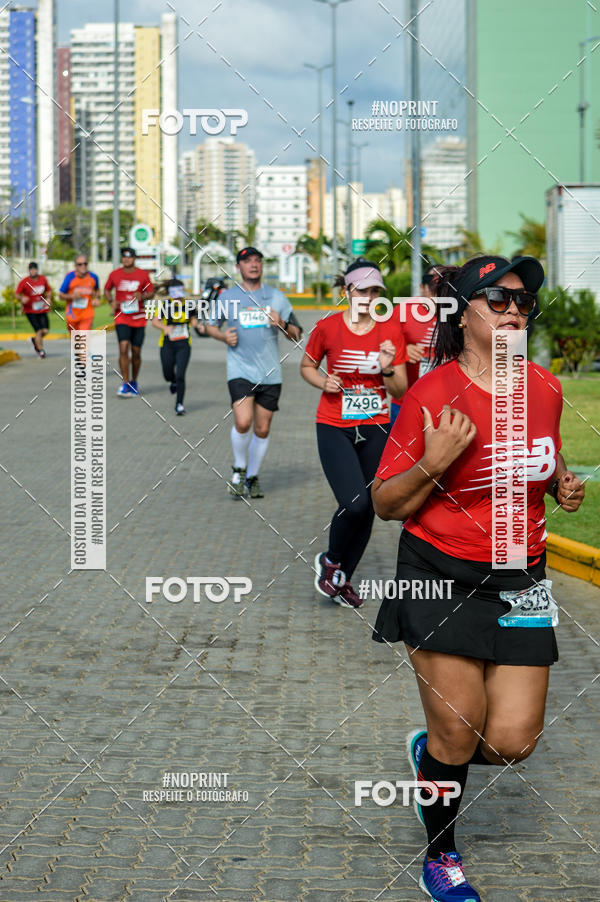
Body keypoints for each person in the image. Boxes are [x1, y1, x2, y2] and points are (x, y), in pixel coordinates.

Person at [371, 255, 585, 901]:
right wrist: (433, 463)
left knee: (514, 742)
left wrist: (561, 482)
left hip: (522, 578)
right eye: (497, 298)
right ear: (462, 311)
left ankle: (432, 758)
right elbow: (384, 502)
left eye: (524, 302)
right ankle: (442, 857)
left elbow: (539, 460)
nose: (515, 309)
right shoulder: (431, 394)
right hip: (437, 573)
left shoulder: (544, 387)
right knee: (459, 734)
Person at [301, 259, 408, 608]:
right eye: (363, 290)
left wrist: (389, 365)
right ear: (347, 291)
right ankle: (331, 560)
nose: (369, 297)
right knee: (355, 502)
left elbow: (401, 391)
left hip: (375, 425)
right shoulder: (328, 328)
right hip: (334, 425)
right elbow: (307, 366)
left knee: (371, 507)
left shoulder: (389, 331)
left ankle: (340, 577)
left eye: (375, 291)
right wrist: (323, 380)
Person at [205, 246, 301, 499]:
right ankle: (238, 468)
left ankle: (252, 477)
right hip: (240, 370)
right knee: (243, 421)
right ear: (238, 267)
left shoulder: (276, 297)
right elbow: (210, 327)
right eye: (247, 261)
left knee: (262, 428)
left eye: (257, 260)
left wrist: (281, 323)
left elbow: (297, 335)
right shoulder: (227, 298)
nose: (254, 264)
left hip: (270, 374)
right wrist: (223, 336)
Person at [390, 263, 441, 426]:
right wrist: (402, 350)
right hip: (406, 402)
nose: (438, 292)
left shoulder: (460, 315)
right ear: (422, 287)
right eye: (433, 286)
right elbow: (379, 346)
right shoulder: (402, 311)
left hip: (447, 404)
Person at [104, 248, 154, 397]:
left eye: (129, 257)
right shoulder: (115, 274)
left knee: (136, 352)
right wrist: (111, 301)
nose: (126, 259)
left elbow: (151, 292)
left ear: (134, 258)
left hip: (138, 318)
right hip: (122, 316)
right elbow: (107, 290)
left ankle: (134, 381)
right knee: (123, 347)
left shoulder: (142, 275)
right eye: (124, 257)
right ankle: (125, 383)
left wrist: (143, 296)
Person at [151, 276, 201, 416]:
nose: (178, 298)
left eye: (180, 294)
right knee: (168, 373)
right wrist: (164, 328)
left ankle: (179, 404)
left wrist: (198, 325)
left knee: (181, 375)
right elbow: (155, 322)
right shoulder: (165, 305)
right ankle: (171, 381)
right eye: (176, 295)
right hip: (167, 343)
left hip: (184, 344)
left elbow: (193, 320)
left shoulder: (190, 305)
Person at [16, 262, 52, 358]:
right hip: (30, 310)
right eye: (31, 269)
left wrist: (48, 298)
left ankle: (35, 340)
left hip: (42, 309)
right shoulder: (24, 282)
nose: (33, 271)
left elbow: (48, 290)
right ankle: (41, 351)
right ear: (29, 270)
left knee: (45, 330)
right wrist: (21, 298)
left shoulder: (43, 279)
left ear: (37, 270)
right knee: (39, 331)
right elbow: (17, 294)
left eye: (34, 269)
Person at [59, 254, 101, 333]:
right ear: (75, 266)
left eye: (85, 264)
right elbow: (61, 295)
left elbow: (97, 290)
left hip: (87, 314)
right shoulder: (70, 277)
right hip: (72, 315)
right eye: (80, 264)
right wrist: (72, 296)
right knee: (76, 341)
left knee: (83, 340)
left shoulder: (93, 277)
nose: (83, 266)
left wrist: (97, 298)